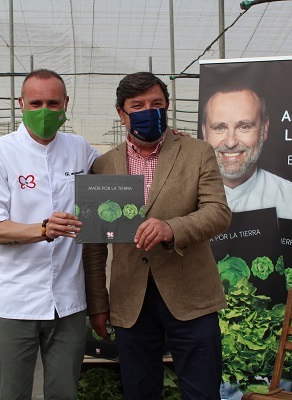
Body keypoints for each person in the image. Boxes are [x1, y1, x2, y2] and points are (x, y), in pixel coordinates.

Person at [83, 72, 232, 400]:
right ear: (121, 114)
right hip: (130, 300)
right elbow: (94, 244)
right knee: (139, 391)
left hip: (191, 296)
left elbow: (218, 212)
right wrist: (97, 303)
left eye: (156, 104)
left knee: (202, 391)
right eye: (137, 106)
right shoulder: (103, 165)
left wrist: (172, 228)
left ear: (167, 107)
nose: (149, 111)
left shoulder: (197, 152)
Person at [0, 69, 100, 400]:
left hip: (68, 302)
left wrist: (165, 144)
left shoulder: (79, 149)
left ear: (65, 104)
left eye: (53, 103)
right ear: (21, 104)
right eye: (36, 103)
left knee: (65, 392)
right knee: (13, 393)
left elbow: (119, 169)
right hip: (15, 303)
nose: (45, 110)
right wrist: (42, 229)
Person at [201, 83, 292, 293]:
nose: (231, 141)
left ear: (265, 129)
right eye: (219, 127)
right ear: (205, 132)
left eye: (244, 126)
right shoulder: (179, 203)